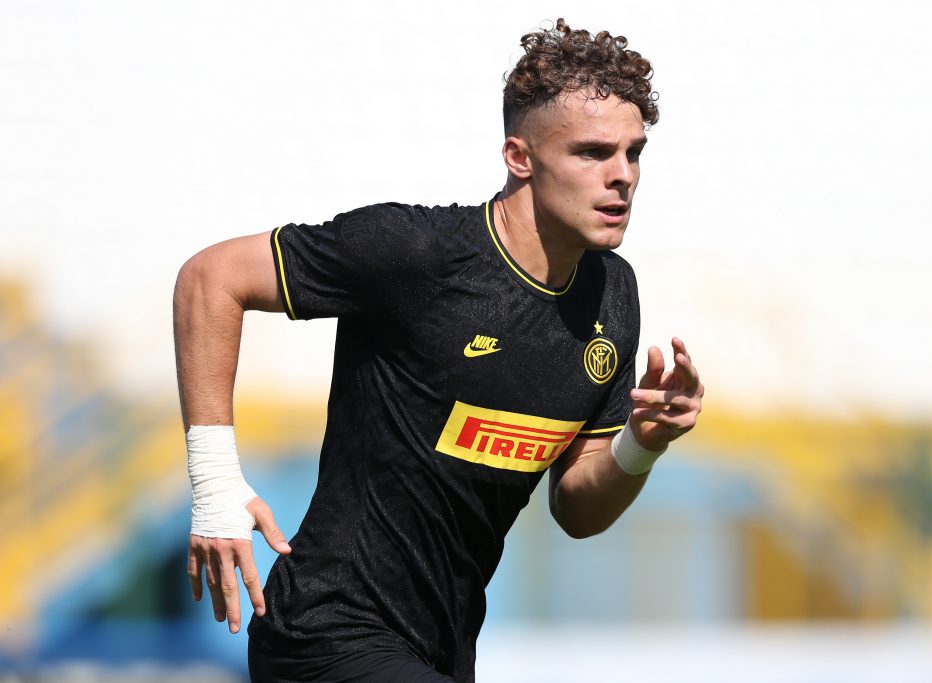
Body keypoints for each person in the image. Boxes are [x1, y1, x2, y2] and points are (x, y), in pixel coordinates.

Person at [174, 18, 703, 683]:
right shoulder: (415, 252)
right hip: (323, 633)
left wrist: (643, 444)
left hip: (441, 649)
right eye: (592, 153)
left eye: (634, 153)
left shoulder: (611, 295)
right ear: (519, 157)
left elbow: (576, 508)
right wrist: (215, 486)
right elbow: (211, 278)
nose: (622, 176)